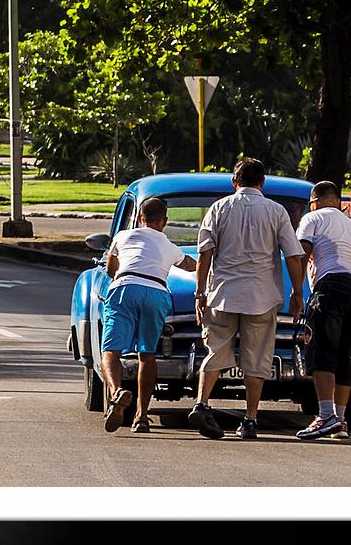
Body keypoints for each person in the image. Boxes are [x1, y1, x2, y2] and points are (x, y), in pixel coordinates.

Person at [188, 158, 305, 440]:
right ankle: (250, 419)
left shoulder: (219, 208)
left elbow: (205, 253)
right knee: (257, 359)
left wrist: (200, 291)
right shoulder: (276, 211)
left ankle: (202, 404)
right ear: (262, 183)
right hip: (261, 297)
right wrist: (297, 292)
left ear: (234, 182)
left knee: (215, 351)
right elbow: (293, 254)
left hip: (224, 294)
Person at [101, 197, 197, 434]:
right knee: (147, 354)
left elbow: (110, 267)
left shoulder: (123, 236)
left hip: (124, 288)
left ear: (140, 218)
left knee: (110, 351)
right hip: (156, 291)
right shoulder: (169, 246)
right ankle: (142, 416)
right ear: (165, 221)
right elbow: (189, 265)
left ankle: (116, 393)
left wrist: (118, 276)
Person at [290, 180, 351, 440]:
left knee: (321, 351)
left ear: (314, 202)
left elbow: (302, 253)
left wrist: (297, 293)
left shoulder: (312, 218)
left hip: (329, 287)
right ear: (339, 202)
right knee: (343, 356)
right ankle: (340, 420)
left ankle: (324, 415)